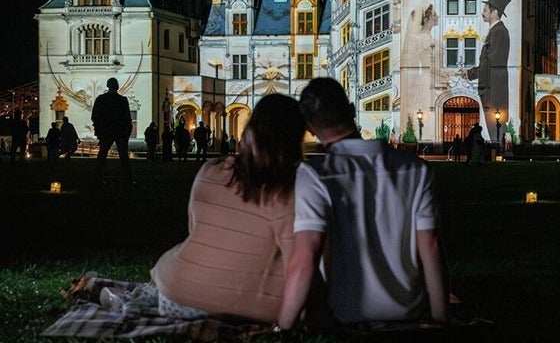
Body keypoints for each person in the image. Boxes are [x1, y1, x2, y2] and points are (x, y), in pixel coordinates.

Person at [278, 77, 449, 330]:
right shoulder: (414, 168)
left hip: (344, 318)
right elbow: (431, 247)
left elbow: (305, 256)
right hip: (406, 314)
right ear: (350, 109)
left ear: (310, 129)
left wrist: (282, 328)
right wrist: (441, 320)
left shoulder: (315, 174)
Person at [150, 93, 305, 323]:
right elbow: (298, 262)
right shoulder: (287, 189)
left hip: (175, 296)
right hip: (244, 307)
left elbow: (195, 229)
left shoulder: (211, 170)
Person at [466, 0, 511, 146]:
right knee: (494, 124)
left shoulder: (499, 32)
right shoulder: (496, 31)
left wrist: (471, 73)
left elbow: (491, 61)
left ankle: (498, 149)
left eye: (485, 10)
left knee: (495, 124)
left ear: (495, 12)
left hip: (493, 86)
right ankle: (497, 147)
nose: (482, 13)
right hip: (492, 84)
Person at [91, 78, 134, 185]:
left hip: (106, 131)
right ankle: (127, 179)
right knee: (124, 157)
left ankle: (97, 177)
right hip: (120, 132)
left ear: (107, 86)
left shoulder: (101, 99)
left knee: (102, 155)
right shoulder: (122, 100)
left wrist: (99, 131)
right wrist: (126, 133)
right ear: (117, 87)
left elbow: (95, 117)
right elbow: (128, 119)